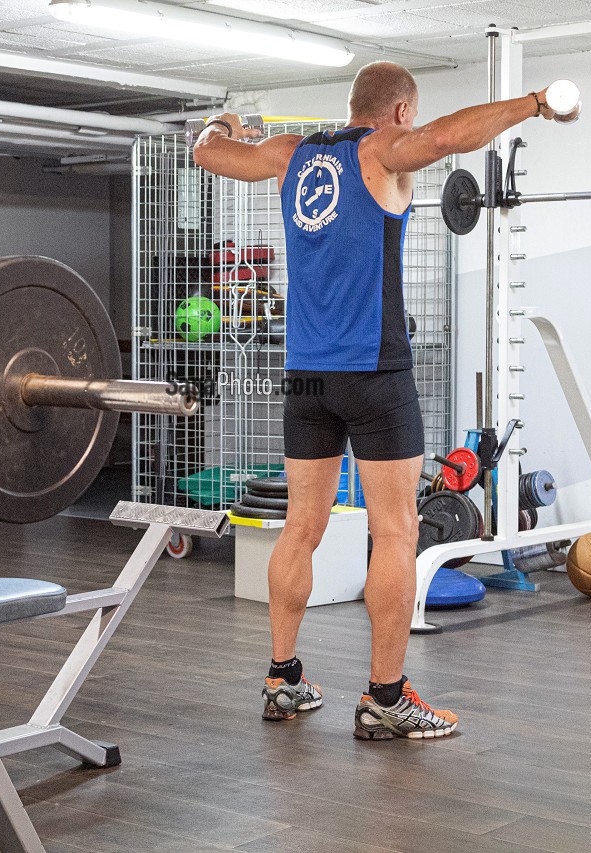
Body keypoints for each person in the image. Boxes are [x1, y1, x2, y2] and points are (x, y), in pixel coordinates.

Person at [192, 62, 558, 740]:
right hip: (375, 372)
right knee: (395, 531)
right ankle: (386, 696)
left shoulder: (292, 154)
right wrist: (534, 103)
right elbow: (449, 140)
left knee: (301, 526)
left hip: (304, 374)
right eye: (410, 118)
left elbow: (207, 151)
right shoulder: (381, 151)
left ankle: (282, 679)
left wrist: (223, 122)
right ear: (398, 114)